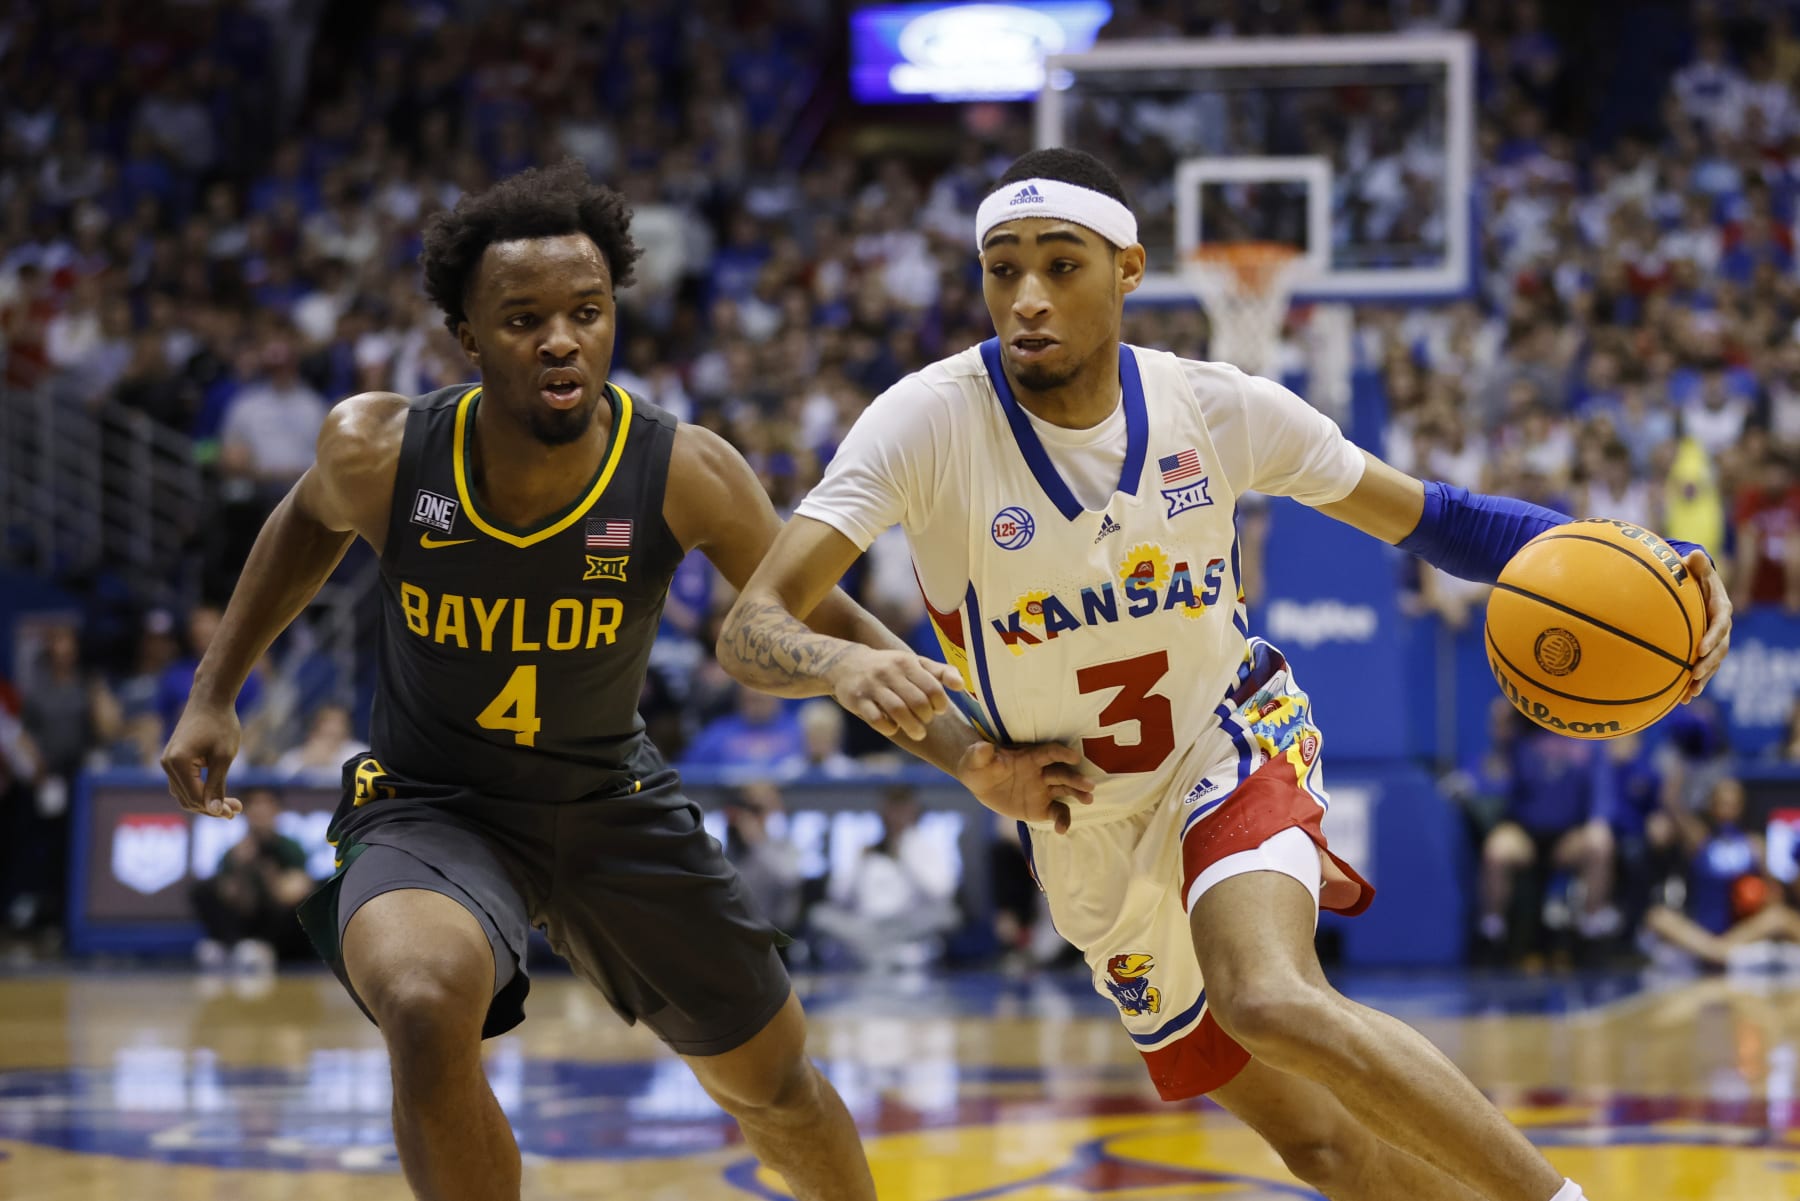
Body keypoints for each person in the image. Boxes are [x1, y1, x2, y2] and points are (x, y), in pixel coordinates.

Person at [718, 148, 1736, 1201]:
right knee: (1323, 1149)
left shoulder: (1217, 407)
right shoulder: (923, 422)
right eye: (1001, 268)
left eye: (1060, 266)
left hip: (1229, 736)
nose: (1026, 297)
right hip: (1080, 826)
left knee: (1271, 997)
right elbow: (751, 626)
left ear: (1128, 270)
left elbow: (1443, 520)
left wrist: (1650, 564)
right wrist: (866, 680)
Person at [160, 162, 1047, 1201]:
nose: (560, 340)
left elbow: (824, 622)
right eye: (523, 317)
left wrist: (969, 757)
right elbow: (306, 519)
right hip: (430, 803)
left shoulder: (683, 470)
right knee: (419, 996)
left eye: (586, 311)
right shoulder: (381, 449)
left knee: (772, 1085)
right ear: (469, 337)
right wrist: (216, 689)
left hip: (611, 802)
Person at [1642, 776, 1800, 971]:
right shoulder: (1700, 840)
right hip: (1702, 933)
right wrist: (1677, 776)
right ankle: (1719, 953)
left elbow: (1775, 896)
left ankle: (1720, 953)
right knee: (1658, 917)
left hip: (1743, 932)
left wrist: (1759, 897)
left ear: (1742, 807)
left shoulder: (1755, 845)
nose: (1728, 809)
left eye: (1733, 804)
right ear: (1712, 806)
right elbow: (1673, 806)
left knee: (1780, 917)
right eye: (1722, 803)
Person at [189, 786, 313, 971]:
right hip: (246, 919)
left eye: (266, 805)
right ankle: (230, 945)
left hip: (278, 926)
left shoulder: (290, 848)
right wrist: (241, 869)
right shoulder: (234, 853)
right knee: (202, 889)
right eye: (254, 805)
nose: (259, 811)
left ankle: (265, 946)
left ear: (276, 810)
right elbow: (229, 895)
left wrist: (268, 875)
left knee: (304, 904)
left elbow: (294, 893)